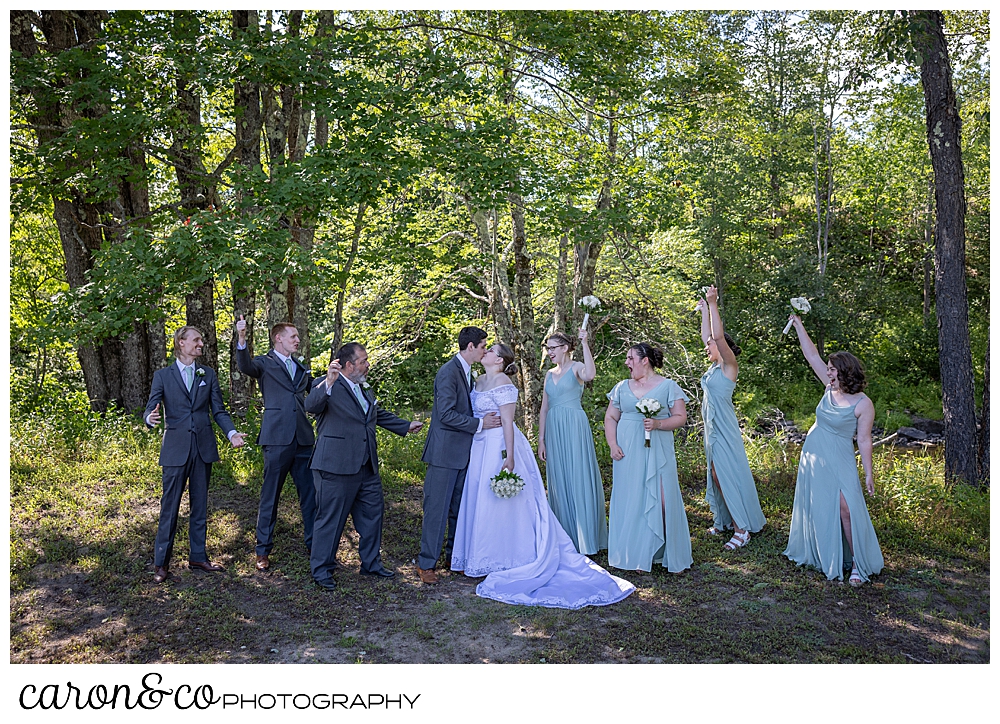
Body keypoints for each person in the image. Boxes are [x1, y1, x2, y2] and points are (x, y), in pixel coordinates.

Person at [451, 343, 635, 609]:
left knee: (502, 501)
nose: (486, 353)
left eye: (490, 350)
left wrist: (509, 456)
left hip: (500, 446)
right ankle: (479, 555)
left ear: (500, 360)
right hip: (479, 446)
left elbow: (506, 422)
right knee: (480, 498)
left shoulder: (504, 382)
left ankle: (510, 554)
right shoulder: (477, 380)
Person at [305, 343, 422, 590]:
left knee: (372, 515)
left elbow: (374, 414)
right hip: (334, 466)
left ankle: (371, 563)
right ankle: (322, 569)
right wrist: (328, 381)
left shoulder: (362, 387)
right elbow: (311, 406)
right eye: (364, 361)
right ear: (349, 365)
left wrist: (405, 425)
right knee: (331, 519)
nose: (368, 365)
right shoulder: (328, 382)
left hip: (366, 464)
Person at [783, 315, 883, 586]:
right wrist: (798, 323)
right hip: (814, 455)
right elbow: (811, 354)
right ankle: (826, 554)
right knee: (822, 506)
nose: (827, 372)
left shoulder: (863, 403)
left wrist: (869, 473)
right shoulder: (829, 388)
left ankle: (859, 565)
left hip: (840, 457)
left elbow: (863, 441)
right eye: (827, 369)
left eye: (832, 369)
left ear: (844, 371)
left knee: (846, 508)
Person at [143, 326, 246, 584]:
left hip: (203, 448)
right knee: (170, 508)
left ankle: (198, 556)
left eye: (201, 340)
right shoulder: (162, 376)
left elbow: (218, 410)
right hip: (175, 449)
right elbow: (150, 407)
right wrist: (149, 417)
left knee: (200, 506)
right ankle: (161, 563)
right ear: (181, 343)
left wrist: (231, 433)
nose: (201, 343)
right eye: (197, 340)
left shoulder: (207, 374)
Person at [417, 326, 502, 584]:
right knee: (436, 509)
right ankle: (425, 564)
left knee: (457, 508)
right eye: (484, 346)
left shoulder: (467, 372)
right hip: (444, 453)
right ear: (471, 347)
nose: (485, 350)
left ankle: (453, 558)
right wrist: (479, 424)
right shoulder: (448, 373)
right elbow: (444, 414)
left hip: (464, 452)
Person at [235, 315, 315, 571]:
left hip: (303, 439)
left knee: (310, 497)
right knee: (270, 496)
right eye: (293, 336)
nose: (298, 340)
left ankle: (315, 545)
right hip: (277, 439)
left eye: (298, 337)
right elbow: (245, 365)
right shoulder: (264, 363)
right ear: (278, 338)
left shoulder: (301, 367)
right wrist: (242, 337)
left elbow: (315, 390)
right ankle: (262, 550)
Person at [604, 343, 692, 573]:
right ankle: (634, 552)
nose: (627, 363)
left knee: (663, 498)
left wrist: (658, 424)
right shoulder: (621, 387)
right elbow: (611, 417)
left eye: (631, 358)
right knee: (631, 497)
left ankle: (663, 551)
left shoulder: (668, 386)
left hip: (658, 450)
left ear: (645, 360)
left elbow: (680, 417)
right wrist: (612, 444)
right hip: (627, 451)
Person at [696, 286, 766, 550]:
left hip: (724, 428)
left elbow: (717, 336)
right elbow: (708, 335)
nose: (707, 346)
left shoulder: (729, 366)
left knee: (725, 474)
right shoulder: (713, 367)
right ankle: (724, 520)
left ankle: (742, 529)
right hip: (712, 429)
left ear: (723, 347)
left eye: (711, 345)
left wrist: (714, 304)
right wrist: (704, 311)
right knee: (715, 475)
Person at [537, 328, 608, 555]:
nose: (549, 352)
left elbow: (590, 375)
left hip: (574, 426)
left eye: (553, 348)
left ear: (565, 348)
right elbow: (544, 409)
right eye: (547, 349)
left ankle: (585, 537)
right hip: (554, 429)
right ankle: (564, 538)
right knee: (558, 480)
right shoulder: (549, 374)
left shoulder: (576, 367)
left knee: (578, 475)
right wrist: (541, 439)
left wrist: (585, 342)